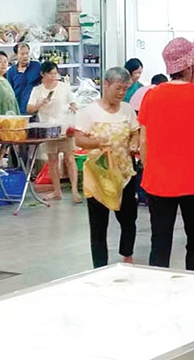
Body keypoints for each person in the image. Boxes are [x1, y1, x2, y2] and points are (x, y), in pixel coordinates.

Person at [139, 38, 194, 271]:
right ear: (190, 65)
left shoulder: (151, 96)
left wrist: (149, 167)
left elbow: (143, 140)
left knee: (160, 242)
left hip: (158, 181)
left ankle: (158, 283)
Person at [75, 67, 140, 268]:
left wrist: (134, 143)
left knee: (128, 218)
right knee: (98, 223)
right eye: (118, 88)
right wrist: (97, 143)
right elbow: (79, 139)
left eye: (125, 89)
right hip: (99, 174)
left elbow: (135, 132)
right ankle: (100, 265)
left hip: (124, 173)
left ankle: (127, 255)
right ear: (106, 84)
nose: (121, 93)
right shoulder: (89, 112)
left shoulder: (127, 110)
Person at [27, 61, 80, 203]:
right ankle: (57, 191)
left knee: (70, 158)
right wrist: (40, 103)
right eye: (50, 74)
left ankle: (75, 190)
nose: (53, 77)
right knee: (52, 160)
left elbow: (73, 102)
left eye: (55, 74)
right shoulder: (37, 90)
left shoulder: (64, 87)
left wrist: (74, 107)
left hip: (65, 128)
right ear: (42, 74)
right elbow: (29, 108)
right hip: (48, 129)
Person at [6, 42, 41, 114]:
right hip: (18, 109)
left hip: (34, 108)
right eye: (22, 54)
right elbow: (9, 92)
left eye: (27, 53)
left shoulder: (37, 66)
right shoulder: (11, 72)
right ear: (16, 55)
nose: (25, 56)